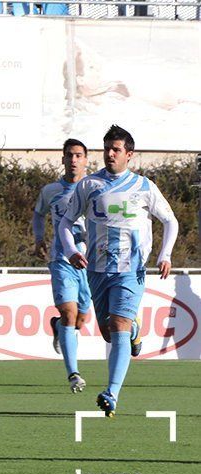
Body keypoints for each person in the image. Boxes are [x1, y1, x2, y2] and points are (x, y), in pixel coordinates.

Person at [58, 125, 179, 417]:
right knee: (110, 333)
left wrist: (165, 254)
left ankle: (111, 393)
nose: (110, 154)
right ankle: (136, 332)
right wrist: (72, 251)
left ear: (129, 155)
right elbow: (64, 223)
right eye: (107, 149)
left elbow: (170, 221)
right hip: (97, 270)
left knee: (118, 325)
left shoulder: (144, 186)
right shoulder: (89, 186)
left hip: (131, 269)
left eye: (116, 150)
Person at [32, 138, 91, 393]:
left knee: (81, 318)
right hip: (62, 260)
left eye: (79, 155)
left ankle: (57, 327)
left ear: (86, 160)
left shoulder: (96, 187)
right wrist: (38, 240)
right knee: (69, 312)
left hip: (93, 262)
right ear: (63, 159)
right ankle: (73, 374)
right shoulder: (51, 190)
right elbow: (38, 213)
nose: (74, 160)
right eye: (70, 155)